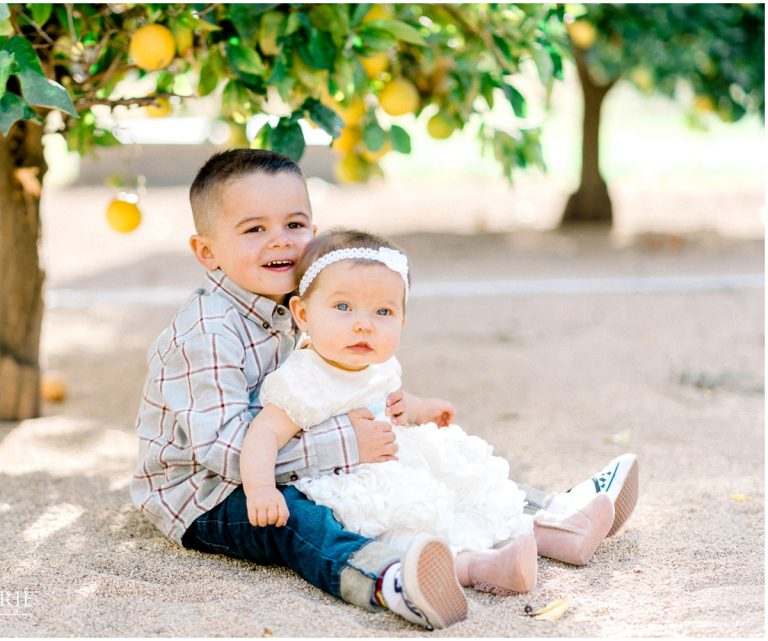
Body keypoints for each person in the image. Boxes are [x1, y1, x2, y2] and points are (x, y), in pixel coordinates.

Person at [131, 149, 638, 629]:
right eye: (254, 228)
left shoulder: (293, 301)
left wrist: (395, 412)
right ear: (206, 251)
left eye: (295, 224)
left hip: (280, 452)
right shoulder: (208, 332)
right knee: (299, 522)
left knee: (426, 457)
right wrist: (347, 445)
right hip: (206, 493)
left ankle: (553, 519)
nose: (281, 240)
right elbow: (222, 450)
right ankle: (389, 580)